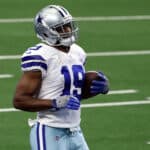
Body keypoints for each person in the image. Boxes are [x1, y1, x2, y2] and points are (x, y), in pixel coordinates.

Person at [13, 4, 109, 150]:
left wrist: (99, 87)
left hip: (75, 131)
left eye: (68, 26)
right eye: (61, 28)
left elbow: (73, 96)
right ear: (46, 31)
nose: (68, 30)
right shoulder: (40, 56)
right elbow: (20, 101)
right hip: (49, 130)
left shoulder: (78, 52)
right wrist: (54, 103)